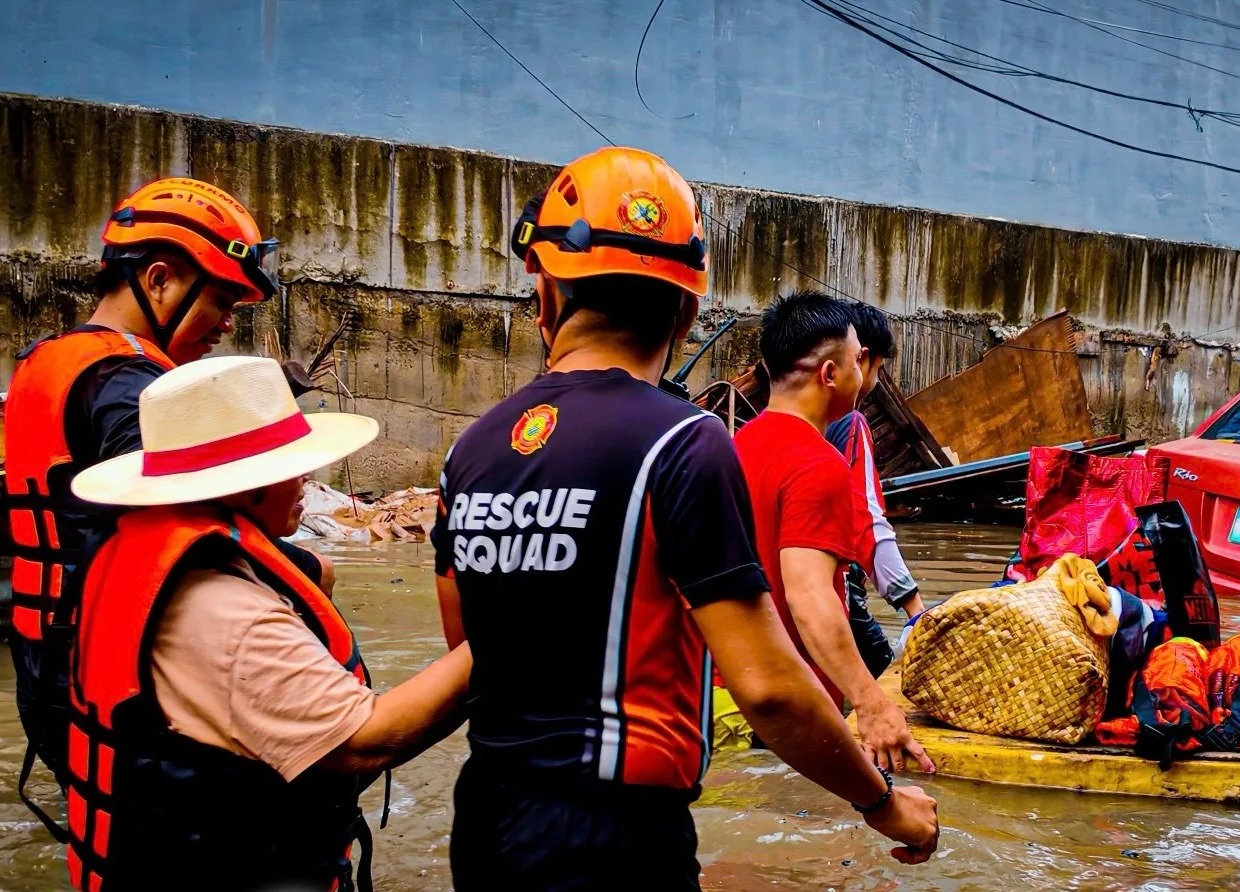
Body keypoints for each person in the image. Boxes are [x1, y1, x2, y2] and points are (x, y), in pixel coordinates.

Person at [432, 146, 938, 890]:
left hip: (484, 818)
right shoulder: (682, 441)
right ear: (688, 306)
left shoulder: (470, 450)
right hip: (614, 836)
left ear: (544, 294)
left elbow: (472, 652)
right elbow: (764, 685)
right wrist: (881, 801)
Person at [61, 354, 473, 891]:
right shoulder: (225, 609)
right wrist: (511, 630)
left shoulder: (130, 549)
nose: (306, 475)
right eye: (289, 463)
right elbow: (366, 741)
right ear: (240, 482)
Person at [3, 177, 334, 807]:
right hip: (120, 674)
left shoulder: (47, 362)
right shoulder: (130, 387)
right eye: (222, 302)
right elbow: (173, 541)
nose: (225, 324)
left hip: (47, 661)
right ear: (159, 279)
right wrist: (305, 569)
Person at [733, 290, 935, 774]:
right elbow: (809, 594)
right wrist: (872, 703)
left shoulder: (734, 445)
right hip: (791, 702)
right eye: (855, 360)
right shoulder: (817, 461)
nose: (862, 372)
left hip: (729, 695)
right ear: (830, 374)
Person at [825, 299, 927, 677]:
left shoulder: (775, 429)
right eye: (878, 369)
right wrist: (913, 605)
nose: (875, 381)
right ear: (860, 358)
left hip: (795, 598)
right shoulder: (850, 425)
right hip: (837, 593)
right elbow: (866, 519)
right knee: (885, 680)